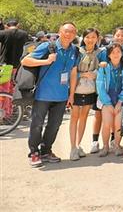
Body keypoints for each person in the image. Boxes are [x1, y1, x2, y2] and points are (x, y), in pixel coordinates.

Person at [23, 22, 79, 167]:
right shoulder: (48, 46)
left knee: (54, 125)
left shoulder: (75, 51)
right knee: (37, 124)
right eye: (66, 31)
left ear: (75, 34)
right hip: (43, 94)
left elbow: (73, 73)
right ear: (60, 32)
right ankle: (34, 152)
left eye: (72, 32)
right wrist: (46, 61)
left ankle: (46, 151)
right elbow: (25, 60)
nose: (69, 34)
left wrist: (71, 95)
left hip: (62, 96)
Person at [96, 43, 123, 157]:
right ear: (109, 55)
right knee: (106, 123)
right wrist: (107, 103)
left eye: (118, 52)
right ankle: (105, 146)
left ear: (122, 53)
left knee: (118, 124)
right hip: (107, 98)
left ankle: (117, 145)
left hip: (121, 98)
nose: (116, 54)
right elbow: (100, 85)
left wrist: (120, 101)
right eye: (113, 52)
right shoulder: (104, 66)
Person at [68, 28, 101, 161]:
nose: (90, 40)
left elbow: (102, 69)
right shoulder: (77, 51)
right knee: (74, 117)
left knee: (84, 117)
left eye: (93, 37)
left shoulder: (100, 53)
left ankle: (78, 144)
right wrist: (82, 75)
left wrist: (95, 73)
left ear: (97, 39)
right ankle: (72, 148)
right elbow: (71, 70)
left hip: (90, 89)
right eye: (87, 37)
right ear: (83, 38)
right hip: (76, 89)